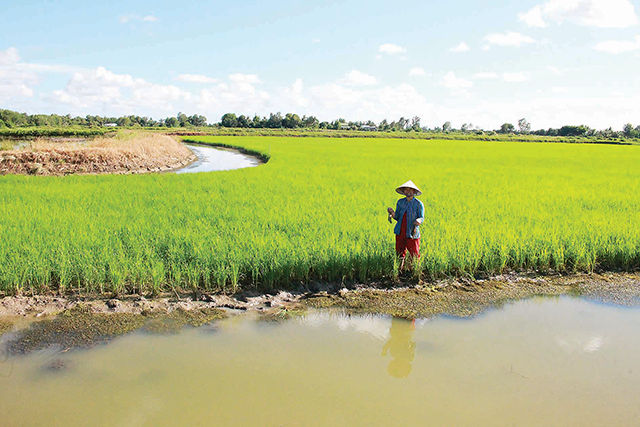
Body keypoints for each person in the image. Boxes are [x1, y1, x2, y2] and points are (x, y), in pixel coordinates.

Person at [387, 180, 424, 272]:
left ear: (414, 192)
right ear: (403, 192)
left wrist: (418, 220)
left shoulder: (418, 204)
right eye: (406, 190)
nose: (408, 192)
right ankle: (400, 270)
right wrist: (392, 213)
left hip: (412, 232)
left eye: (410, 190)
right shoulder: (400, 202)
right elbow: (398, 217)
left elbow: (421, 217)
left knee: (414, 253)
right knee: (399, 252)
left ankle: (414, 271)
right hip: (400, 231)